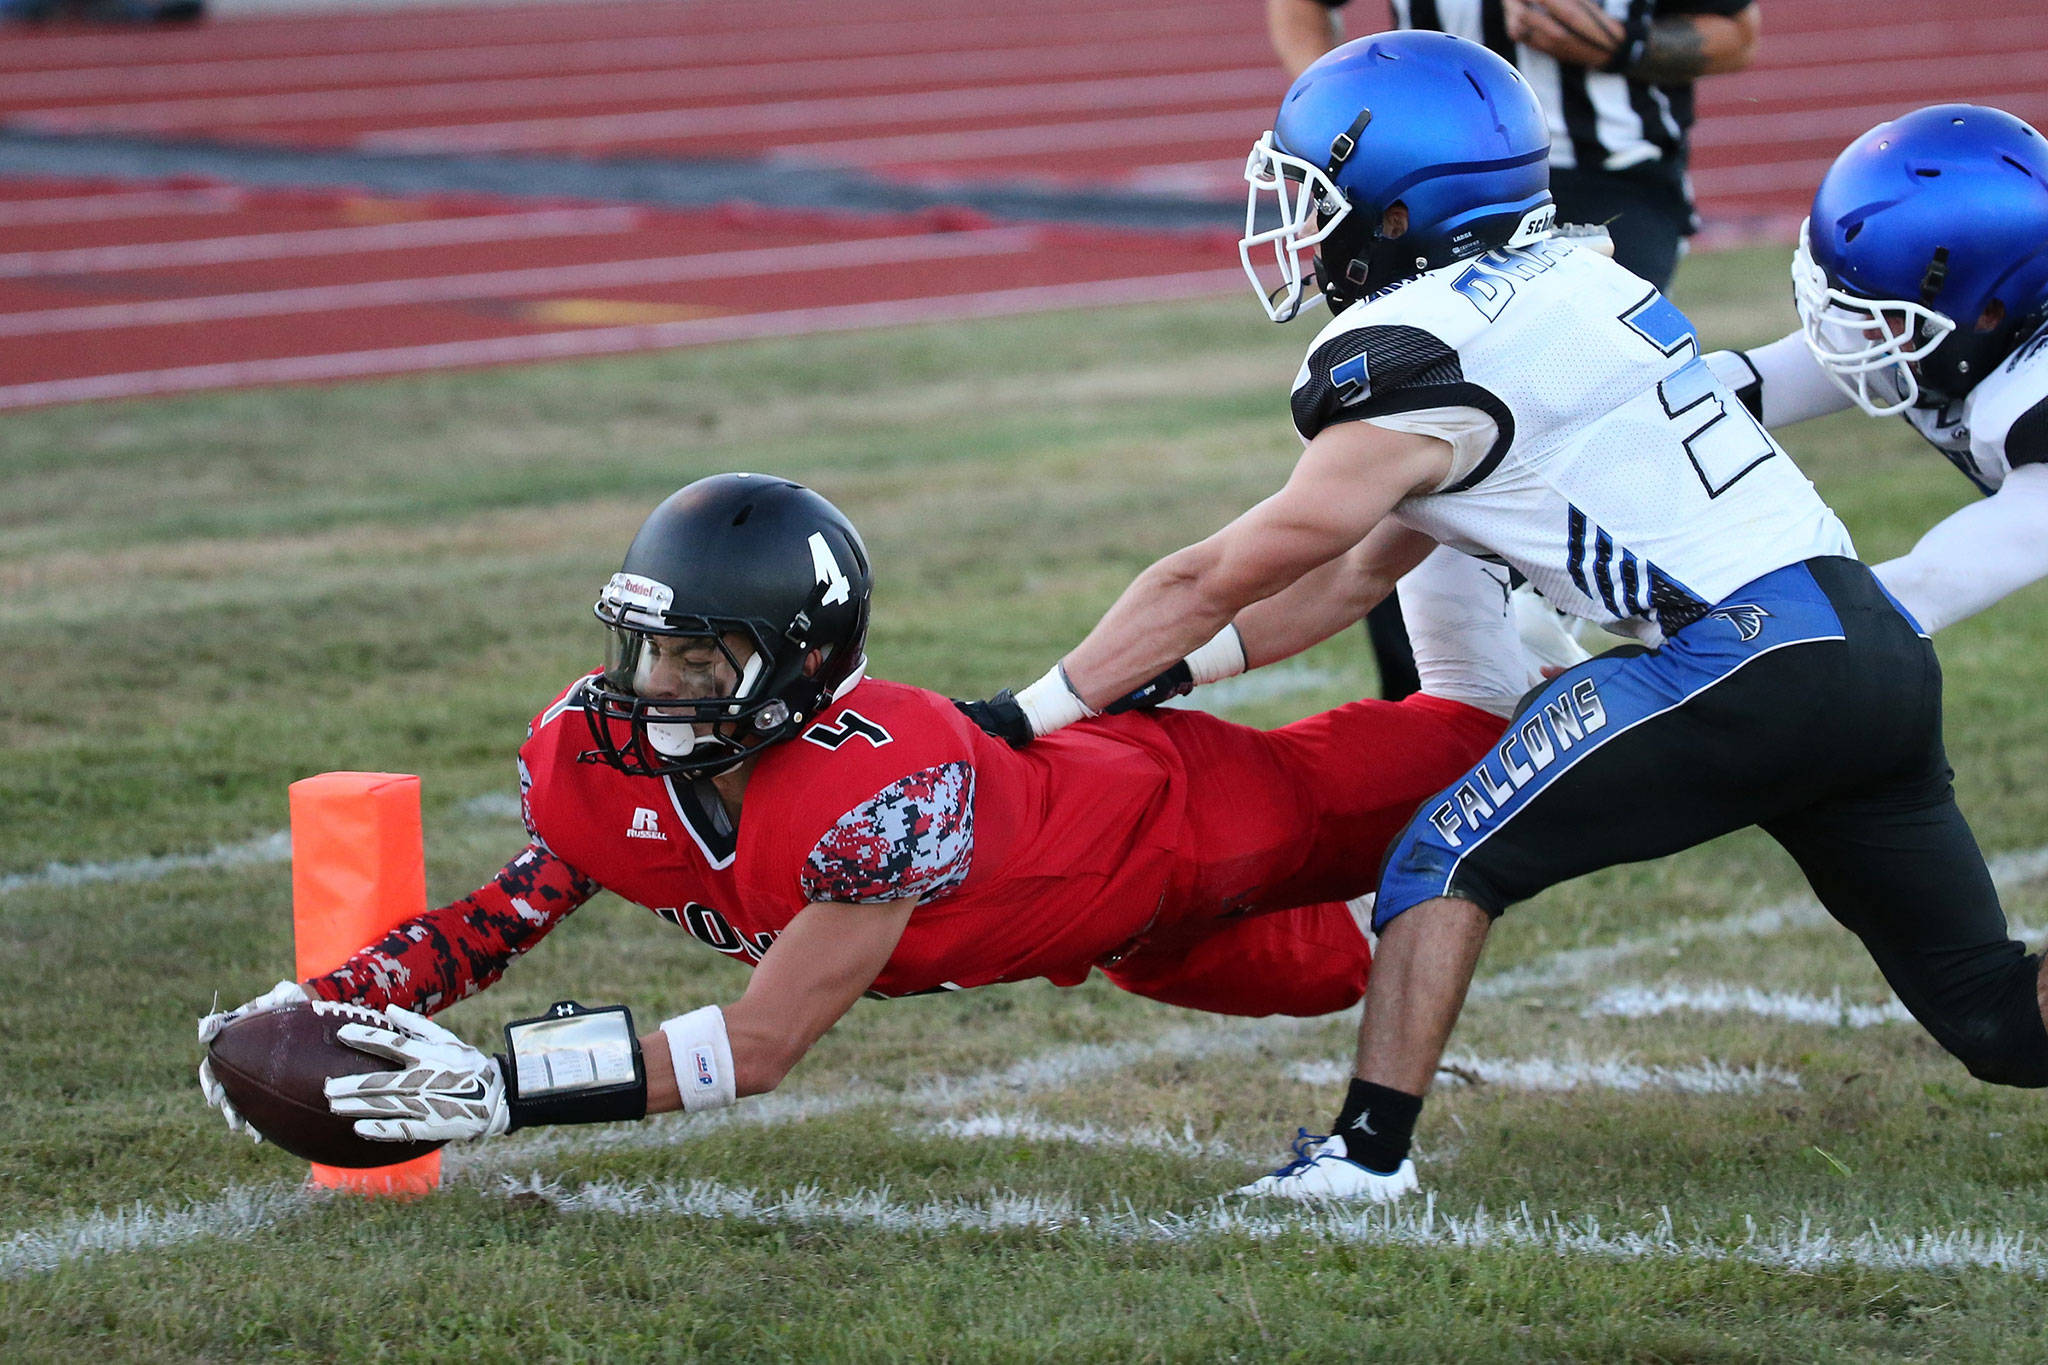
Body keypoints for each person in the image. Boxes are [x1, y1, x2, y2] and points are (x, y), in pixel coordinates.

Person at [963, 32, 2048, 1203]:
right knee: (1999, 1021)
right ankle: (1360, 1155)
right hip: (1869, 648)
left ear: (1393, 213)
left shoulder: (1421, 348)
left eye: (1312, 194)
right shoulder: (1582, 283)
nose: (1292, 221)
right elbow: (1354, 577)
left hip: (1747, 652)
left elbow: (1220, 569)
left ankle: (1363, 1157)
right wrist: (1173, 676)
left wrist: (1028, 710)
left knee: (1443, 853)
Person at [198, 473, 1531, 1148]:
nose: (657, 687)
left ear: (802, 664)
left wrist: (495, 1093)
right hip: (1109, 935)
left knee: (1497, 753)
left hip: (1183, 820)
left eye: (703, 661)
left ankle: (1482, 490)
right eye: (649, 650)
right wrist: (338, 998)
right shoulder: (595, 758)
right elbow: (504, 914)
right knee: (1344, 966)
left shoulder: (872, 790)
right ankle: (1463, 516)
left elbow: (761, 1042)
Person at [1703, 104, 2048, 637]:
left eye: (1881, 311)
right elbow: (1760, 382)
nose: (1861, 332)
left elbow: (1926, 587)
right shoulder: (1955, 332)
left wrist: (1722, 643)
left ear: (1989, 311)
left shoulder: (2032, 402)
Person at [1268, 0, 1759, 293]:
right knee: (1414, 372)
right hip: (1440, 177)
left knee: (1590, 376)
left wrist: (1624, 46)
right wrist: (1347, 107)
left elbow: (1736, 34)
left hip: (1610, 171)